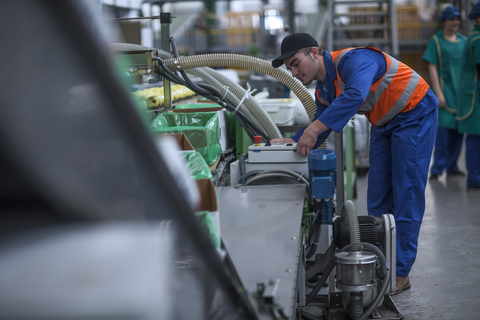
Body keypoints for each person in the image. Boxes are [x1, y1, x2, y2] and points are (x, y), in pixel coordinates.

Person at [270, 33, 438, 294]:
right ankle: (381, 263)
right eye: (290, 68)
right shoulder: (324, 88)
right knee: (378, 198)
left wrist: (314, 128)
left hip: (414, 113)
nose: (293, 73)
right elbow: (322, 126)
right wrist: (291, 142)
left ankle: (400, 273)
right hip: (383, 122)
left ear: (314, 53)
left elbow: (355, 94)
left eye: (295, 63)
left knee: (407, 194)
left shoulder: (354, 60)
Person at [423, 6, 466, 181]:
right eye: (452, 19)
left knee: (458, 131)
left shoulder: (464, 41)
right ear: (444, 21)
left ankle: (452, 165)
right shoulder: (436, 41)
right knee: (443, 132)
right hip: (445, 92)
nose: (455, 23)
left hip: (461, 94)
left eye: (458, 19)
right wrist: (438, 93)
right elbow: (432, 68)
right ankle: (437, 168)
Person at [456, 1, 480, 190]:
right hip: (474, 97)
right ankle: (475, 177)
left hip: (473, 94)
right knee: (475, 138)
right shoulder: (477, 39)